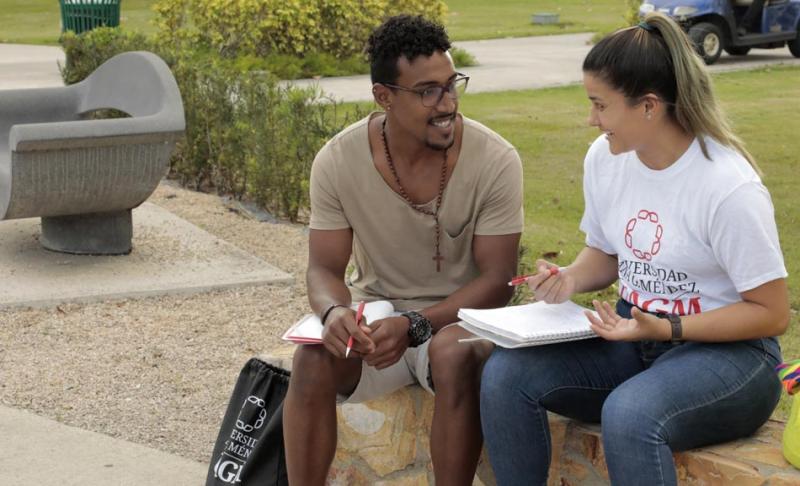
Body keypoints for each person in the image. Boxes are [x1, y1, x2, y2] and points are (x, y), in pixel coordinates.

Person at [480, 12, 789, 486]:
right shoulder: (606, 159)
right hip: (632, 337)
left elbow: (772, 314)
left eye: (600, 105)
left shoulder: (728, 187)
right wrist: (570, 278)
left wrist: (668, 328)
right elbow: (604, 253)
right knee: (505, 375)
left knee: (630, 415)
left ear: (648, 106)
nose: (591, 119)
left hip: (732, 358)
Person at [283, 14, 524, 486]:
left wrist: (416, 325)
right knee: (311, 358)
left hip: (460, 322)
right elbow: (323, 269)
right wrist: (334, 313)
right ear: (384, 96)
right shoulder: (337, 160)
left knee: (453, 355)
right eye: (428, 91)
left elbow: (498, 283)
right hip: (379, 318)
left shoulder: (495, 159)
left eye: (452, 85)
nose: (447, 104)